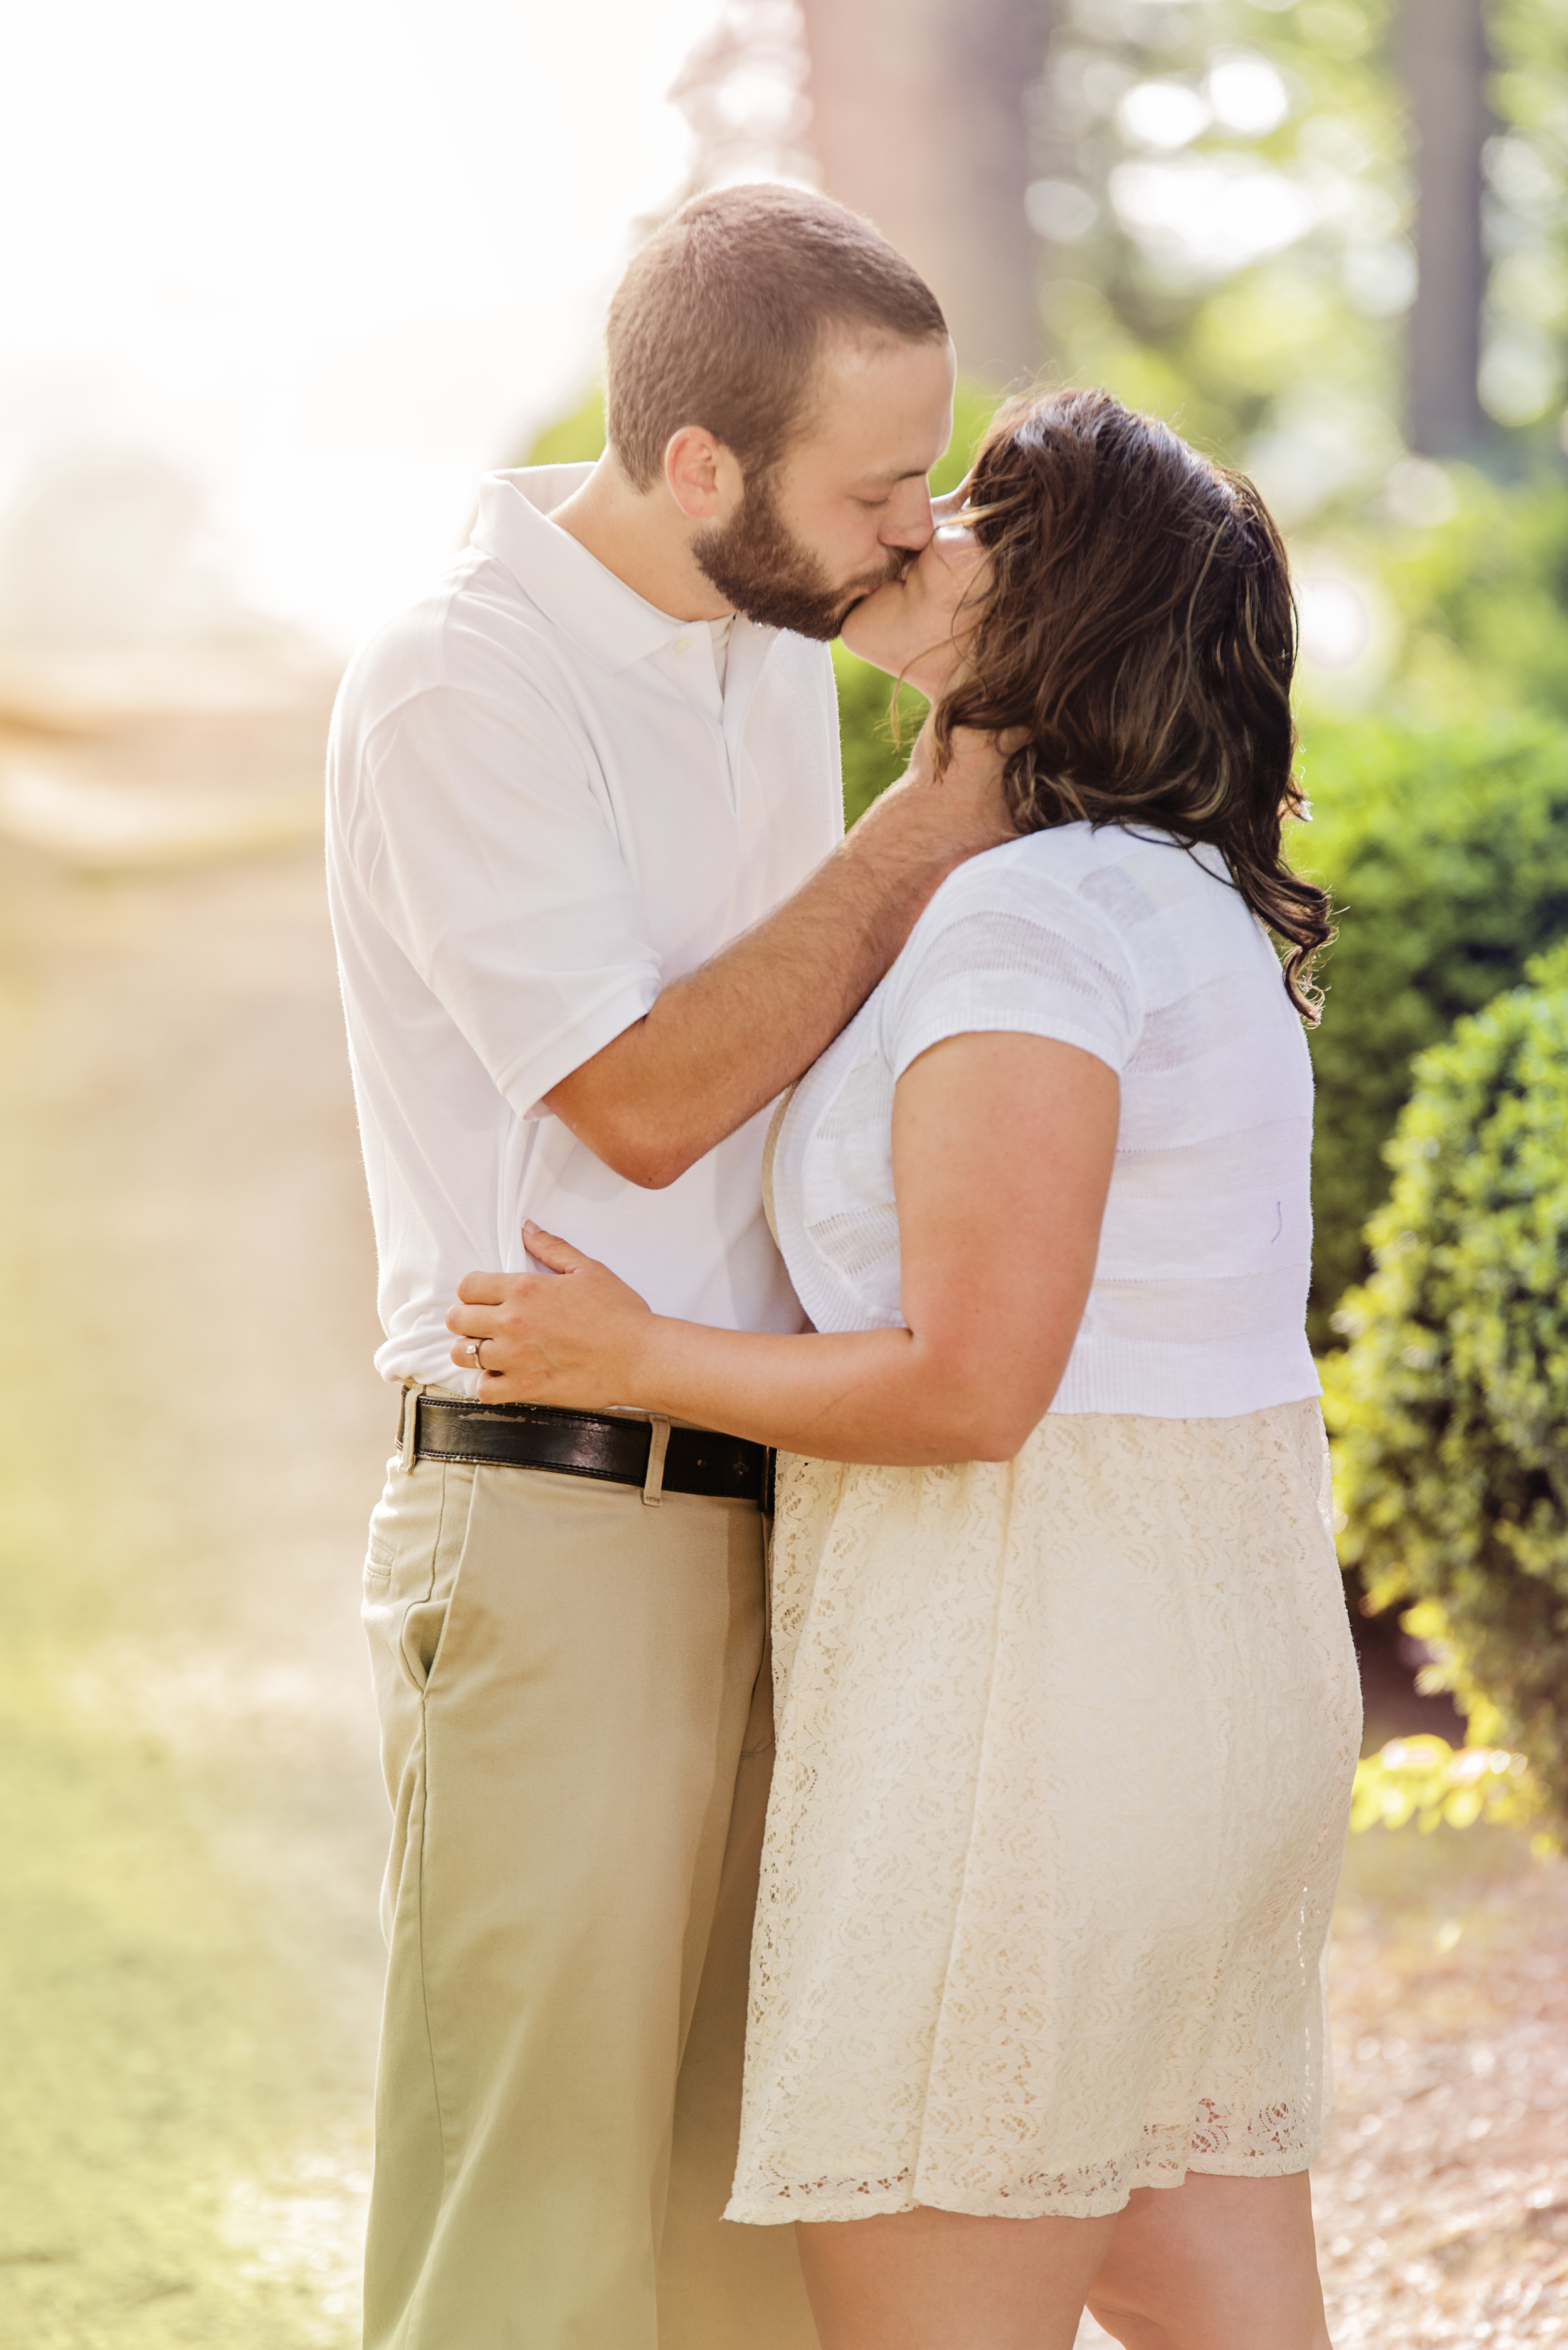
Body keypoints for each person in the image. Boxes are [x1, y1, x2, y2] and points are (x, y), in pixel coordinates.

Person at [447, 386, 1363, 2350]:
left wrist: (637, 1351)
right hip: (1189, 1672)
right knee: (1208, 2287)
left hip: (1035, 1696)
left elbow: (968, 1385)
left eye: (973, 518)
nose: (913, 531)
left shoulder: (1026, 924)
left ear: (1058, 616)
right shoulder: (1166, 900)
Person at [326, 183, 1014, 2350]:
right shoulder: (468, 675)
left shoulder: (755, 632)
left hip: (772, 1487)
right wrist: (944, 801)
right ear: (700, 465)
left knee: (741, 2225)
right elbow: (634, 1096)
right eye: (875, 486)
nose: (914, 531)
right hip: (557, 1511)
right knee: (530, 2231)